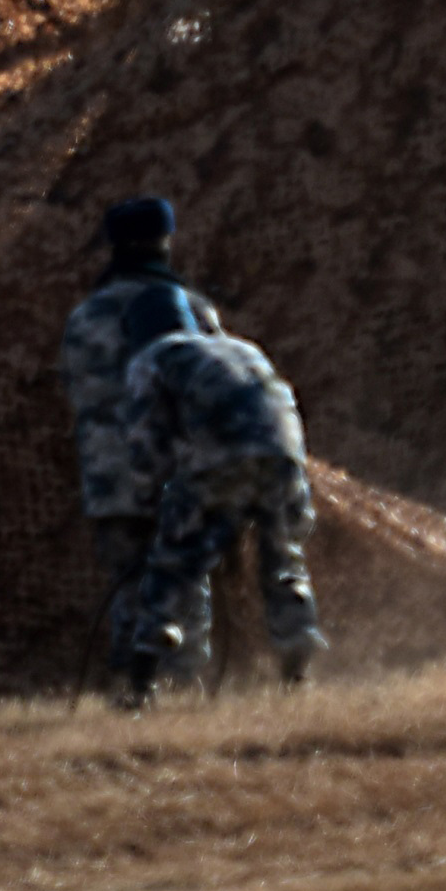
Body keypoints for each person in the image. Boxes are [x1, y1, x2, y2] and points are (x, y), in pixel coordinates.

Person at [60, 197, 225, 699]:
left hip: (110, 473)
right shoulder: (192, 311)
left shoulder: (86, 316)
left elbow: (76, 393)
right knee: (186, 576)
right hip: (180, 466)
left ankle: (134, 688)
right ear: (165, 241)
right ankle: (183, 683)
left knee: (128, 579)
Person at [117, 324, 326, 709]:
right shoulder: (244, 348)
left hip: (220, 458)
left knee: (176, 563)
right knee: (284, 558)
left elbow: (144, 441)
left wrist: (148, 501)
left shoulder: (151, 358)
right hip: (284, 455)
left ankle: (142, 685)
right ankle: (297, 672)